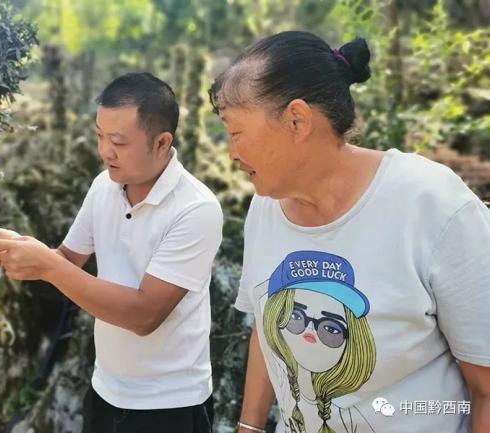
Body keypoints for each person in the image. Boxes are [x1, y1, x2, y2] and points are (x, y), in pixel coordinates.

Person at [209, 31, 490, 433]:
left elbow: (487, 386)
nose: (231, 153)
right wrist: (250, 427)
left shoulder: (432, 205)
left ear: (297, 120)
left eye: (235, 133)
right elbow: (265, 325)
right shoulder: (267, 206)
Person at [0, 72, 223, 433]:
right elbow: (66, 260)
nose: (105, 151)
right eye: (100, 136)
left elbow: (144, 314)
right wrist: (21, 250)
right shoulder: (104, 185)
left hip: (171, 404)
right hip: (105, 389)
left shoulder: (196, 209)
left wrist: (48, 266)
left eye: (118, 141)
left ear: (162, 142)